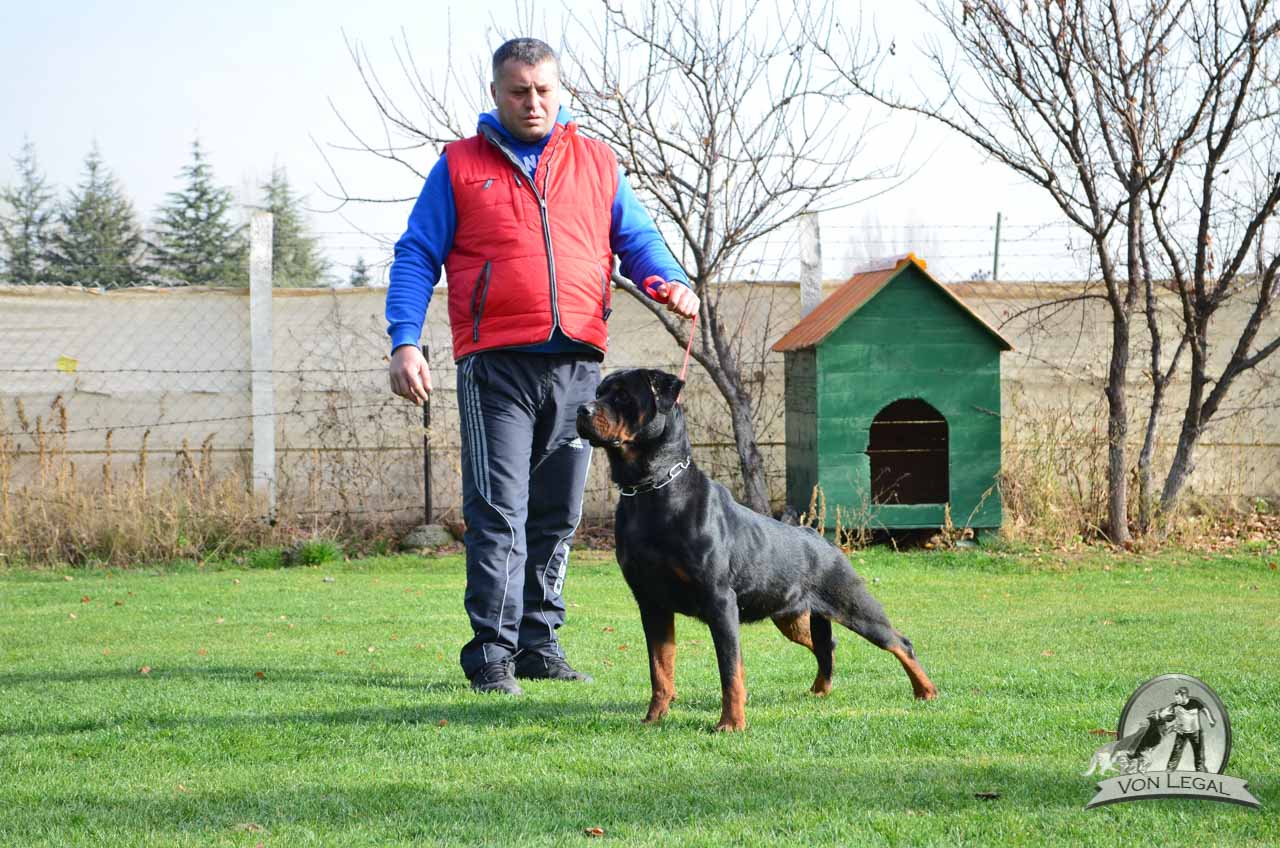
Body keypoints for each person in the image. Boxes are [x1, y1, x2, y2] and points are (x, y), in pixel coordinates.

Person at [385, 37, 699, 695]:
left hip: (579, 370)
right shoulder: (458, 166)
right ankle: (492, 656)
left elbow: (636, 237)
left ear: (560, 91)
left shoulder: (597, 162)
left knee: (557, 515)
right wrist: (405, 341)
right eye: (519, 91)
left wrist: (666, 278)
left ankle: (538, 645)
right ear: (496, 94)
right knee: (499, 511)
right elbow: (416, 254)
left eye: (544, 90)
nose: (533, 102)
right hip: (495, 368)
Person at [1157, 686, 1217, 771]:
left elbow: (1205, 710)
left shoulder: (1195, 702)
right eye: (1175, 698)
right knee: (1176, 752)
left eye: (1178, 698)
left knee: (1199, 754)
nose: (1176, 700)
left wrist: (1210, 720)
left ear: (1184, 696)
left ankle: (1201, 771)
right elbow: (1162, 714)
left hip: (1195, 733)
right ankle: (1169, 771)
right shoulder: (1175, 705)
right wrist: (1167, 717)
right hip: (1181, 733)